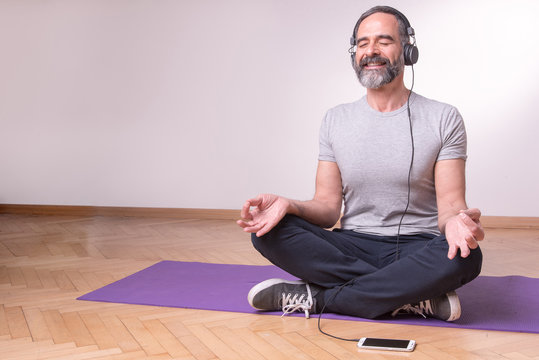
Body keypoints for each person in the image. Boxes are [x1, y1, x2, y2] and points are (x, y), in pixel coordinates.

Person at [237, 5, 484, 322]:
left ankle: (318, 298)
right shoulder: (335, 119)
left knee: (466, 256)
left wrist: (455, 222)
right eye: (363, 43)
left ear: (407, 49)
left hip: (417, 248)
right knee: (267, 232)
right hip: (351, 245)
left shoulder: (443, 117)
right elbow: (327, 209)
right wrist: (289, 205)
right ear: (354, 53)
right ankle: (412, 294)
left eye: (384, 41)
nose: (372, 51)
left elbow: (450, 205)